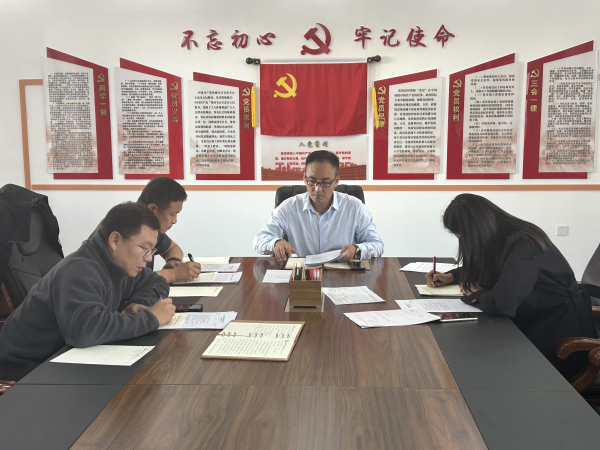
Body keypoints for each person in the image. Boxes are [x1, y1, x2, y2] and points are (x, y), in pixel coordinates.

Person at [426, 193, 597, 378]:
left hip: (556, 335)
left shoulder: (524, 243)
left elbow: (501, 303)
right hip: (531, 320)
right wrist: (452, 276)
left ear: (477, 231)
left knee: (474, 363)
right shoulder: (499, 237)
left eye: (464, 238)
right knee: (464, 351)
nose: (464, 244)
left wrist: (475, 294)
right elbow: (487, 267)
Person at [0, 202, 176, 381]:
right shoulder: (79, 269)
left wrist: (137, 304)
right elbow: (84, 331)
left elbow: (156, 281)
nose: (149, 258)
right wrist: (151, 318)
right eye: (145, 248)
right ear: (115, 240)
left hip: (64, 357)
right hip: (25, 369)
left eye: (151, 250)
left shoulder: (122, 265)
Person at [253, 150, 384, 262]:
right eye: (312, 181)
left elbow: (377, 245)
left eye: (325, 182)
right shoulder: (289, 207)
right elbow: (259, 240)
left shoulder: (355, 207)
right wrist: (275, 243)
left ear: (336, 181)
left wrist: (357, 250)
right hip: (303, 275)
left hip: (343, 274)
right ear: (304, 178)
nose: (317, 189)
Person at [137, 177, 201, 283]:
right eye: (172, 214)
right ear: (152, 209)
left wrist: (173, 261)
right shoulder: (126, 232)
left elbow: (173, 248)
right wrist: (173, 274)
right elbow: (129, 282)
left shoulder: (151, 229)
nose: (174, 221)